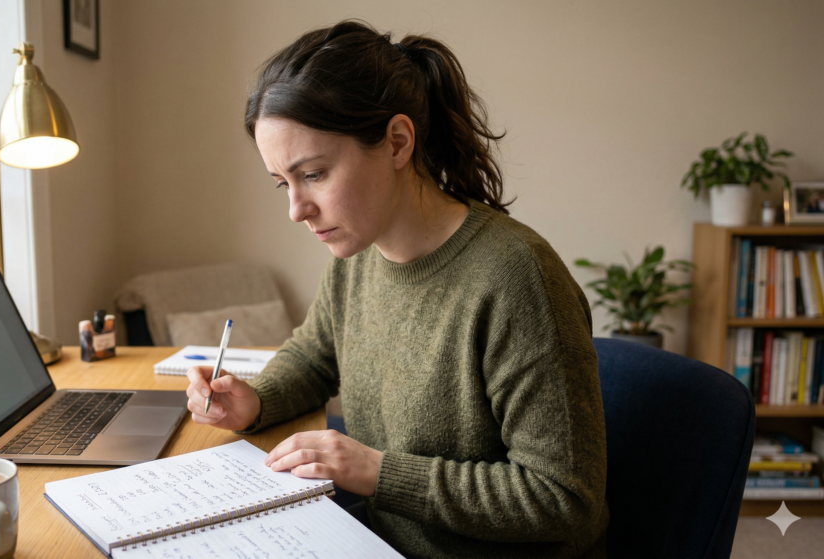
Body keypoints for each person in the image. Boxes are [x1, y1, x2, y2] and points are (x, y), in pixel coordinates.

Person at [185, 20, 608, 558]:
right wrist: (255, 401)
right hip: (375, 541)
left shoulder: (516, 278)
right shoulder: (358, 254)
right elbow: (315, 358)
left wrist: (378, 471)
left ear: (398, 143)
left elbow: (564, 498)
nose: (296, 210)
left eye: (313, 174)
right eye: (282, 184)